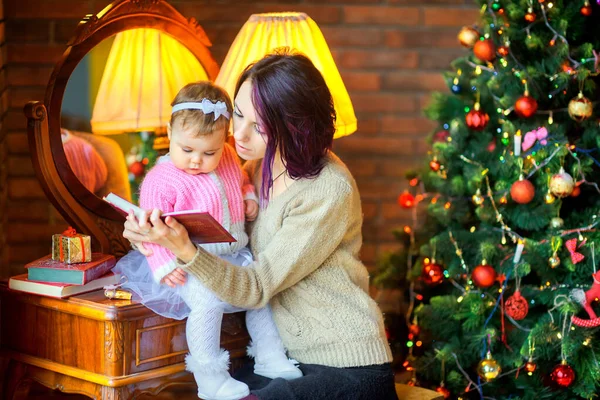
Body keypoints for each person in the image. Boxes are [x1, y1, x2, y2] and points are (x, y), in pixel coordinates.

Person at [124, 50, 398, 400]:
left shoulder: (328, 189)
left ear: (295, 128)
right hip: (280, 355)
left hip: (344, 365)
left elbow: (255, 287)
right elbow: (207, 232)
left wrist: (185, 250)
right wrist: (147, 234)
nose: (237, 135)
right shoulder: (252, 169)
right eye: (237, 114)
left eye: (259, 127)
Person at [114, 81, 302, 400]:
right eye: (187, 149)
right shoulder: (161, 181)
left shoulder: (227, 156)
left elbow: (240, 179)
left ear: (223, 141)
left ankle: (270, 356)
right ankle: (210, 378)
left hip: (234, 255)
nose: (197, 160)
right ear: (169, 131)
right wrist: (162, 265)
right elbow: (149, 231)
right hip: (187, 264)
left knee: (261, 295)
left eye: (208, 152)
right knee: (207, 301)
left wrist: (248, 196)